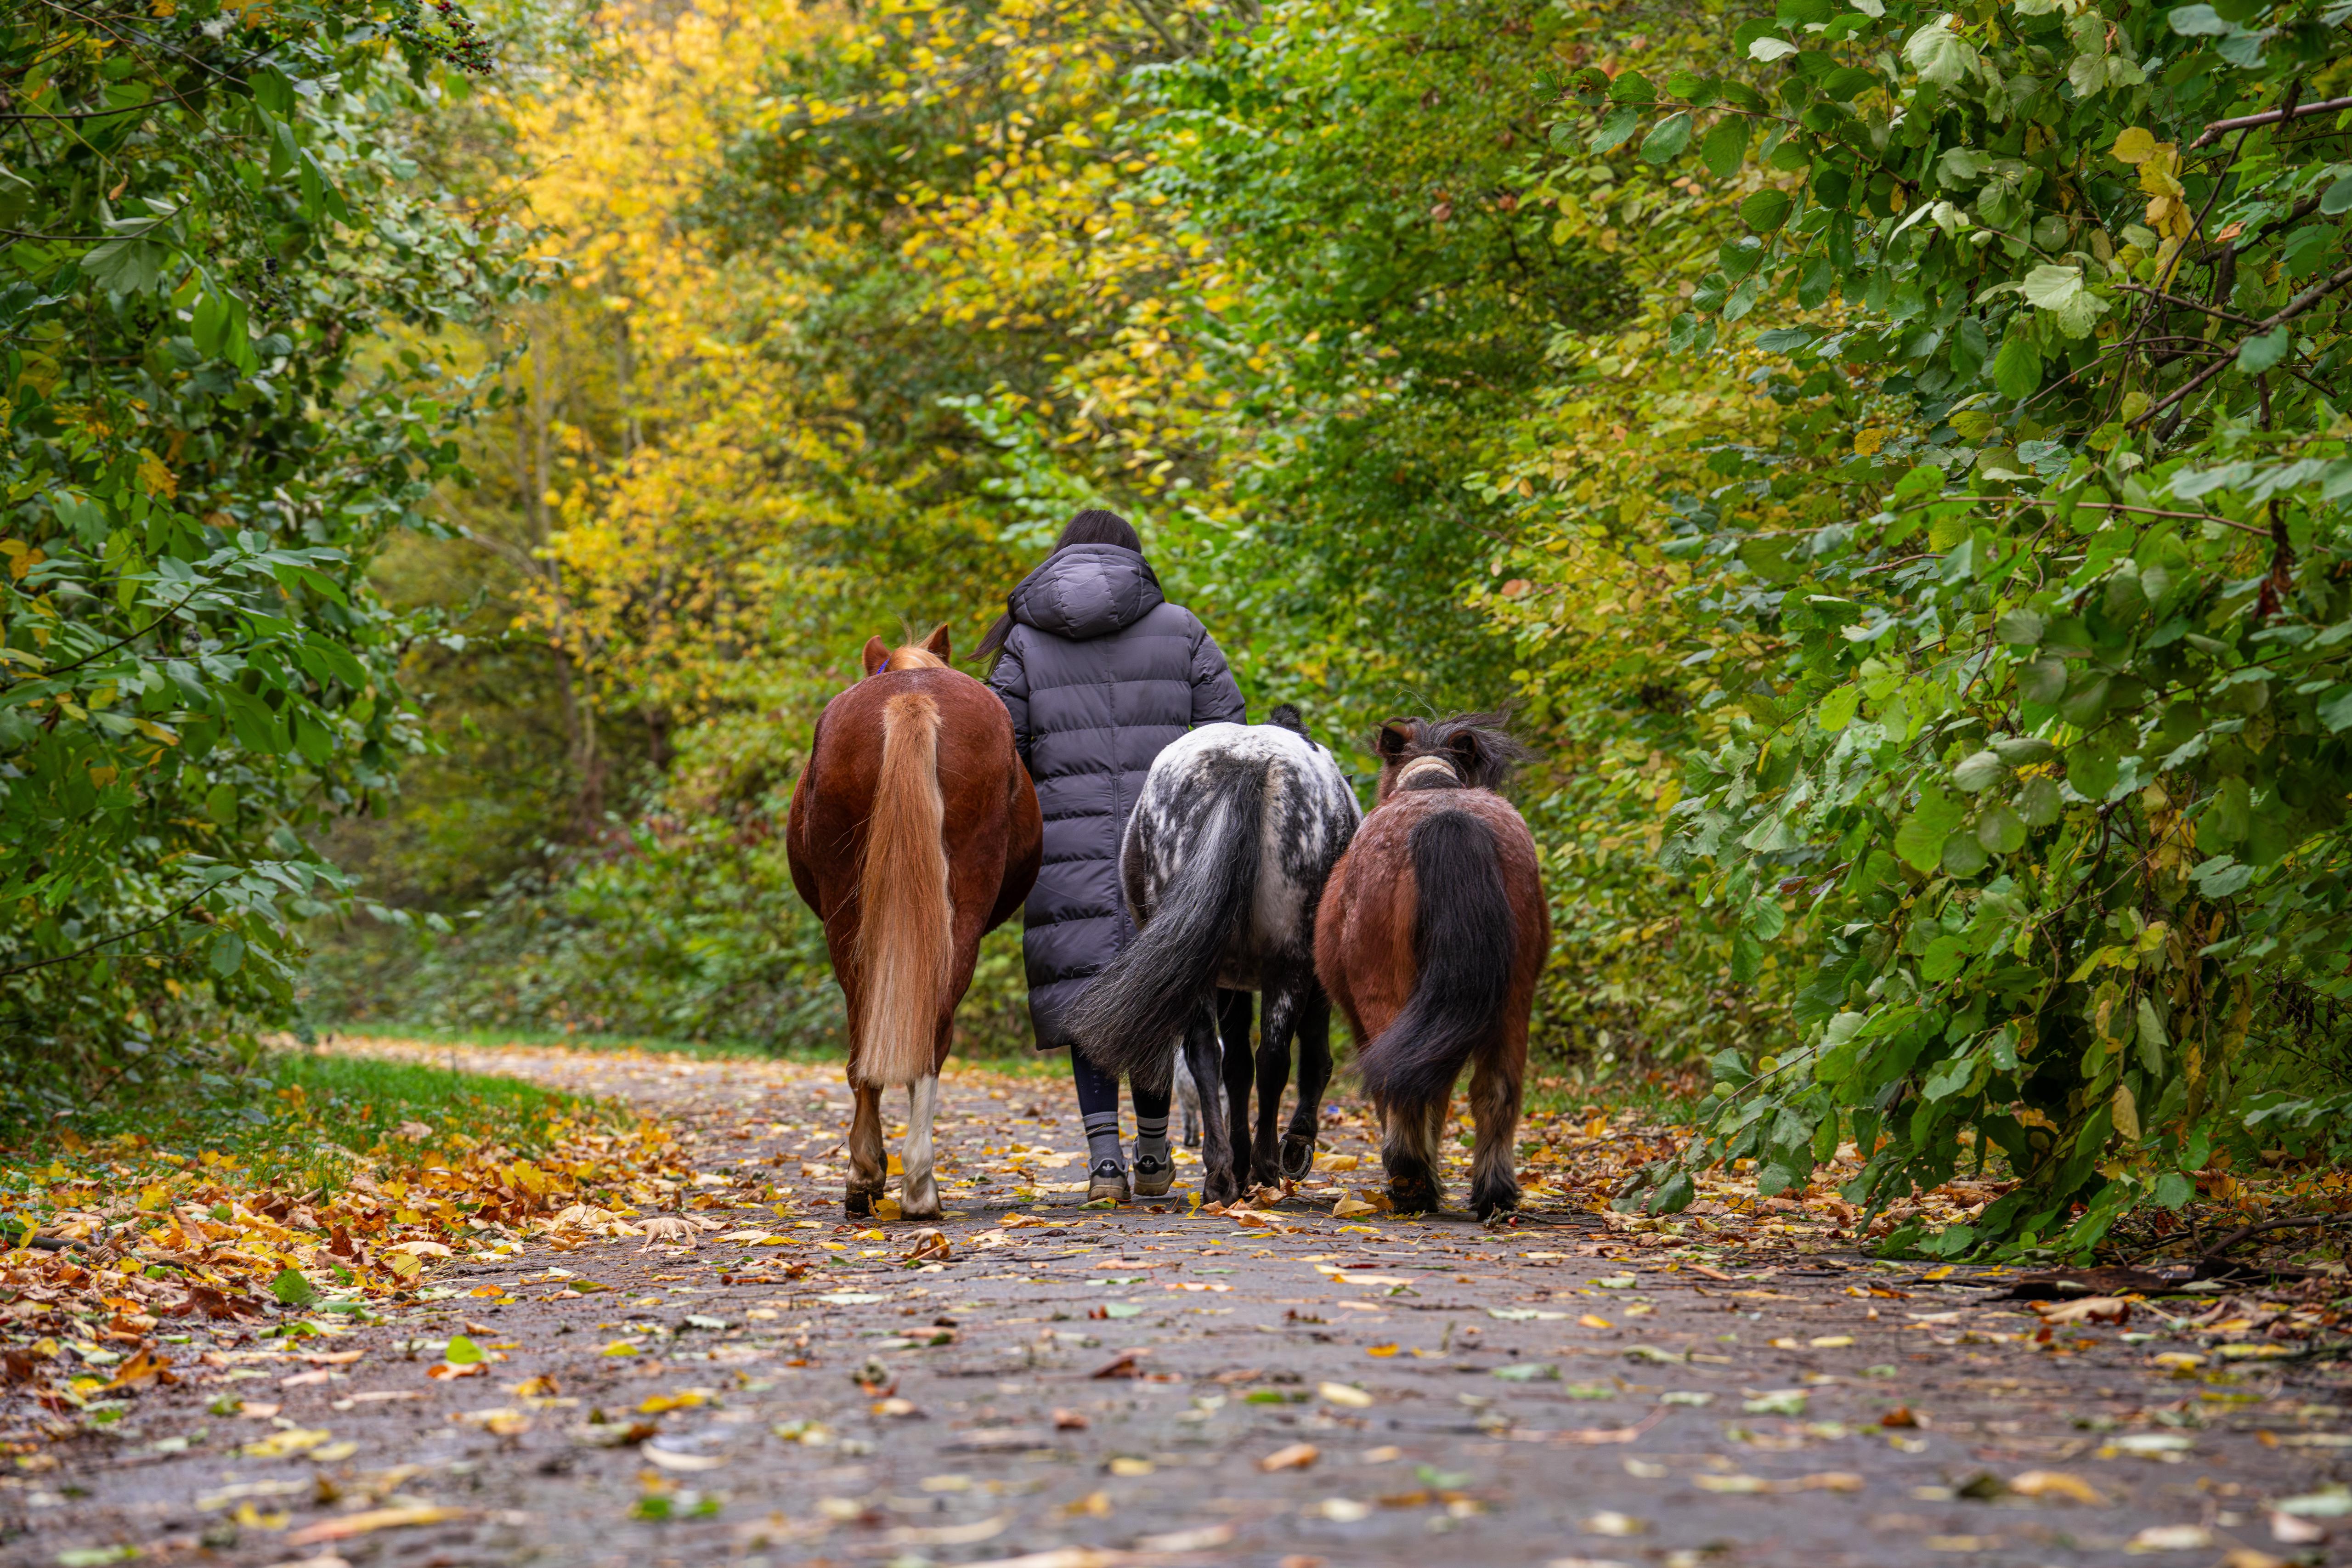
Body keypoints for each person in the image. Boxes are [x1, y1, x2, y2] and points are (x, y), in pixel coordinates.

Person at [979, 509, 1246, 1202]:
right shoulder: (1182, 628)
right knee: (1160, 984)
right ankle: (1156, 1154)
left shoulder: (1027, 642)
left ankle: (1105, 1163)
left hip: (1064, 848)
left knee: (1085, 989)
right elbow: (1230, 738)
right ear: (1135, 558)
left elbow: (998, 752)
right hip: (1166, 848)